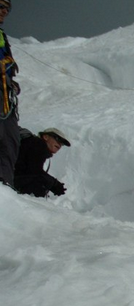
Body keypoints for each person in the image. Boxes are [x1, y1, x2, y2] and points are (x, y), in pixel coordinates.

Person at [13, 127, 70, 197]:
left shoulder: (33, 144)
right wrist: (54, 184)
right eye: (58, 139)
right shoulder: (38, 143)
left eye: (62, 143)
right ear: (45, 137)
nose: (59, 144)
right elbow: (35, 172)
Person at [0, 0, 20, 187]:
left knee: (9, 140)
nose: (4, 11)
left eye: (7, 8)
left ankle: (4, 185)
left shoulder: (1, 35)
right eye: (0, 6)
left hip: (4, 94)